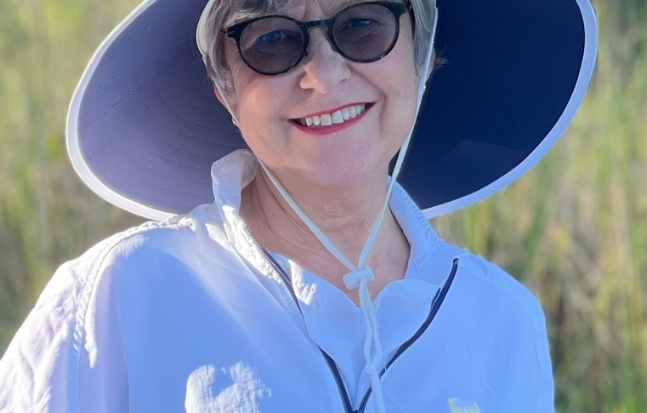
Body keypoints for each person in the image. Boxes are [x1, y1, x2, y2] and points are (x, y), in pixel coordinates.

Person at [0, 0, 597, 411]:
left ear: (423, 55)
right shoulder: (115, 298)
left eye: (363, 24)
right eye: (272, 40)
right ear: (225, 89)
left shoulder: (502, 320)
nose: (324, 74)